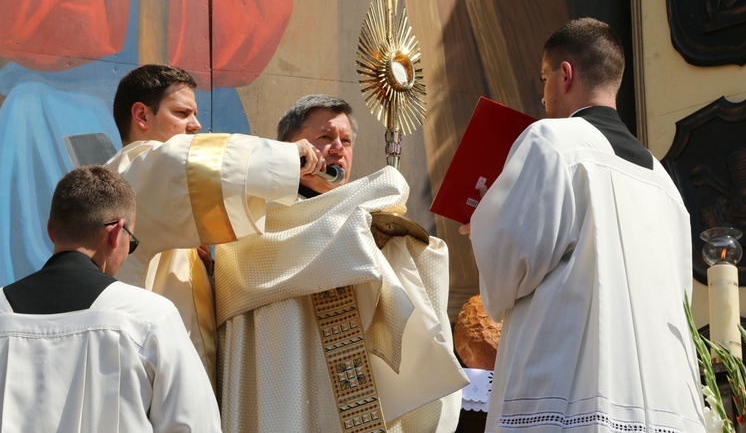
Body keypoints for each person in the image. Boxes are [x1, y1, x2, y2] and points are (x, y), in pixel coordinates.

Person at [0, 0, 292, 286]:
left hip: (190, 92)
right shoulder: (39, 111)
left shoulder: (194, 116)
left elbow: (262, 8)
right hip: (58, 98)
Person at [464, 18, 704, 431]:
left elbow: (506, 272)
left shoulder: (552, 142)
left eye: (544, 79)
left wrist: (484, 221)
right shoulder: (665, 185)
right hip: (667, 408)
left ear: (565, 74)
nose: (542, 97)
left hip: (572, 403)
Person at [215, 94, 468, 432]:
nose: (338, 148)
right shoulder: (257, 222)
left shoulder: (368, 220)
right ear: (291, 147)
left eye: (346, 141)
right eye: (325, 137)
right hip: (290, 385)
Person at [105, 64, 323, 386]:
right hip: (146, 374)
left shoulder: (168, 193)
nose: (196, 125)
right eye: (182, 113)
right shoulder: (132, 168)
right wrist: (285, 157)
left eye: (195, 113)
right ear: (141, 115)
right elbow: (182, 161)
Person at [0, 165, 221, 431]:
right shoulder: (149, 318)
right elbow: (195, 425)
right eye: (133, 242)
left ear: (50, 229)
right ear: (117, 233)